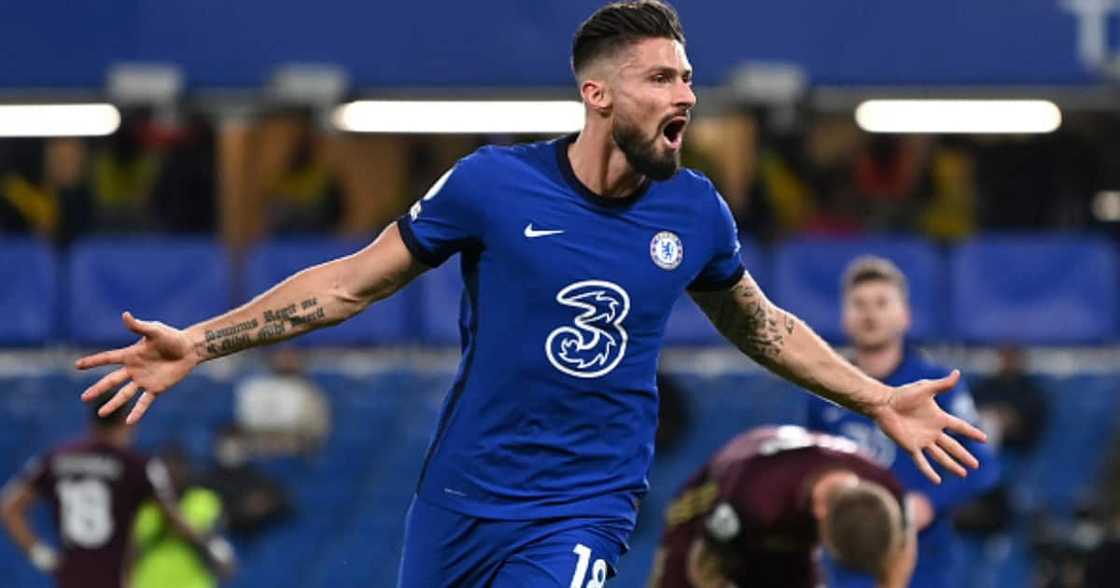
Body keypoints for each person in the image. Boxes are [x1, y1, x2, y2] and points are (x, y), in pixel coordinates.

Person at [75, 2, 986, 586]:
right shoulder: (492, 187)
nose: (687, 95)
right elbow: (349, 285)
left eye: (689, 78)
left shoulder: (696, 211)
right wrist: (202, 341)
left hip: (585, 504)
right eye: (662, 78)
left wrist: (876, 397)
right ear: (598, 94)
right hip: (460, 497)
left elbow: (763, 325)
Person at [806, 256, 999, 588]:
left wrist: (927, 503)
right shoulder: (824, 390)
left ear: (905, 316)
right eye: (859, 304)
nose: (870, 313)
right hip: (849, 566)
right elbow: (813, 470)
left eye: (882, 303)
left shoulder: (935, 386)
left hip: (926, 565)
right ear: (845, 317)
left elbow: (983, 466)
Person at [0, 397, 233, 588]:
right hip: (112, 577)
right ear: (127, 423)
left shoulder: (56, 459)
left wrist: (41, 554)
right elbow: (172, 517)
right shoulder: (136, 466)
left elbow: (9, 507)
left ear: (92, 423)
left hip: (70, 576)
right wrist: (209, 545)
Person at [648, 425, 914, 588]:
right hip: (712, 504)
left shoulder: (885, 485)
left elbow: (902, 545)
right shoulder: (755, 497)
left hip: (786, 523)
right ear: (820, 513)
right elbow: (705, 568)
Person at [131, 446, 234, 588]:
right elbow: (135, 543)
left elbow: (193, 531)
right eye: (166, 469)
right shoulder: (147, 508)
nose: (171, 474)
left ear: (186, 469)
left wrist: (166, 507)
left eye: (176, 467)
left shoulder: (203, 499)